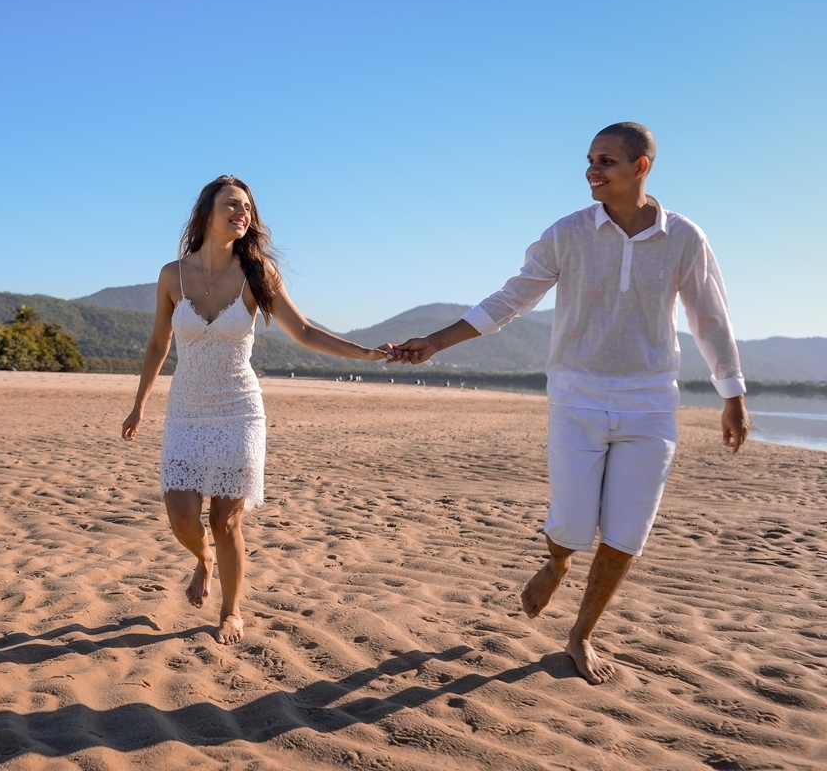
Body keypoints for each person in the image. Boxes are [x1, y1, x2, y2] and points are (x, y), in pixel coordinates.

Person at [385, 123, 748, 684]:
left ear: (640, 167)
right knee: (574, 520)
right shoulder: (568, 233)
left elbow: (710, 318)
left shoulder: (685, 238)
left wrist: (733, 394)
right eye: (589, 160)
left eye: (605, 161)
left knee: (627, 533)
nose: (591, 171)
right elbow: (513, 297)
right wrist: (436, 341)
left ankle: (581, 635)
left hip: (650, 404)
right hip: (577, 397)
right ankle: (557, 563)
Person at [123, 175, 387, 645]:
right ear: (207, 212)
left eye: (247, 207)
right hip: (186, 409)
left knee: (226, 521)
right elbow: (158, 344)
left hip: (239, 409)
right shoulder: (172, 275)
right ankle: (203, 559)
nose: (242, 213)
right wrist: (139, 405)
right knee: (182, 516)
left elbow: (303, 331)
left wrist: (364, 353)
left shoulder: (257, 272)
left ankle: (231, 611)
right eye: (232, 205)